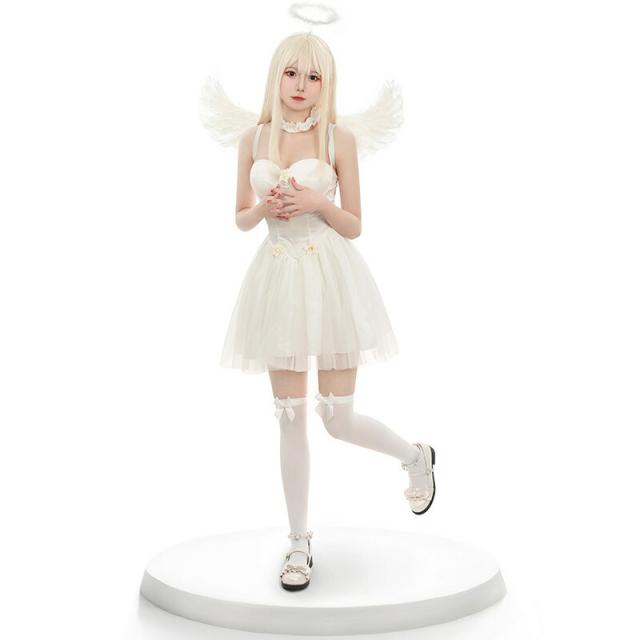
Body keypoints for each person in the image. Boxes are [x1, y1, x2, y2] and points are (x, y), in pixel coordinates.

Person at [213, 32, 436, 591]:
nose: (301, 85)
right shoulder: (253, 137)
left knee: (336, 418)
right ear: (276, 75)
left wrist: (317, 201)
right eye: (292, 73)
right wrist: (264, 208)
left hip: (330, 277)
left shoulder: (340, 138)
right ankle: (297, 541)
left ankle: (415, 457)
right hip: (277, 278)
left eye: (313, 76)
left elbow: (354, 224)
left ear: (326, 84)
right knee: (289, 416)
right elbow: (240, 217)